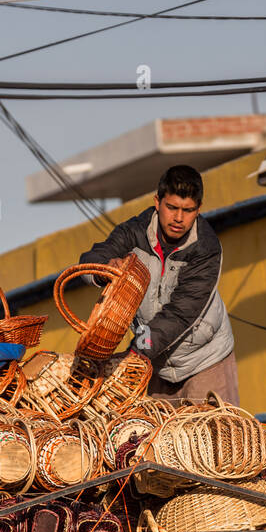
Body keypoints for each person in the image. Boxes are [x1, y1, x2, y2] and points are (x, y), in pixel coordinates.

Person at [77, 164, 239, 404]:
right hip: (157, 365)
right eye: (172, 207)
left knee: (217, 437)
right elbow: (90, 260)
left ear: (199, 209)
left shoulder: (207, 248)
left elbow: (180, 315)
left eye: (188, 210)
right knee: (157, 438)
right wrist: (105, 271)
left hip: (206, 362)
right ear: (157, 202)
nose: (179, 218)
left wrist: (136, 354)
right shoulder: (133, 232)